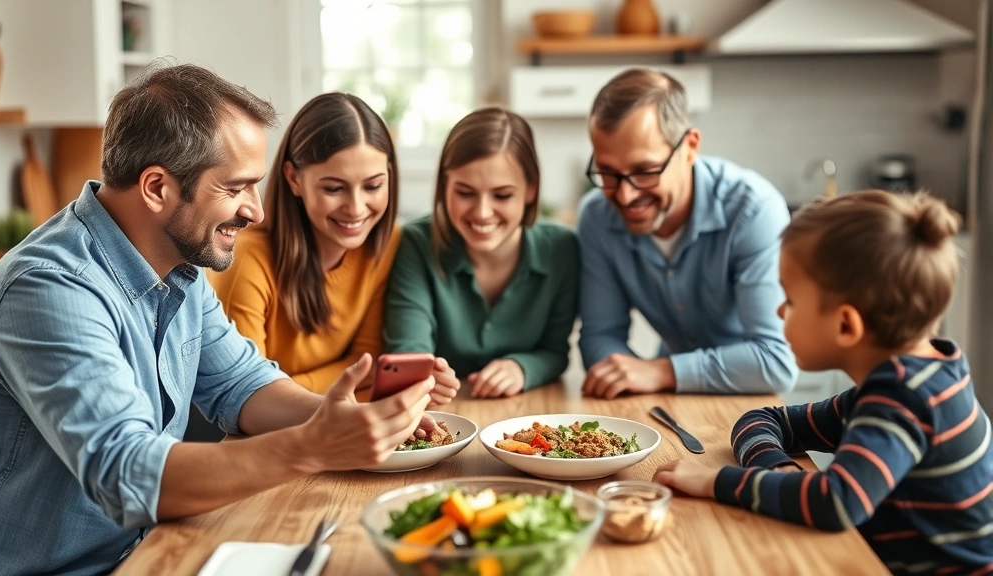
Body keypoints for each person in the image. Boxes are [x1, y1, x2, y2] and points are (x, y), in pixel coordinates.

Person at [0, 64, 435, 574]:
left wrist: (339, 419)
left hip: (151, 549)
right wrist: (312, 445)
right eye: (236, 188)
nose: (256, 211)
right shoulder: (49, 287)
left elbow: (243, 384)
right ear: (156, 187)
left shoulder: (180, 264)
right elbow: (128, 473)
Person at [654, 191, 993, 574]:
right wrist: (776, 470)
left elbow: (836, 501)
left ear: (846, 324)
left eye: (791, 300)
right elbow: (764, 420)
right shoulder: (916, 378)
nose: (780, 310)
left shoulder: (903, 398)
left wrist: (714, 481)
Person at [209, 93, 458, 403]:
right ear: (294, 179)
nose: (356, 208)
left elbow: (366, 360)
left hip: (319, 414)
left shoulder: (387, 243)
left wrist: (409, 387)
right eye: (334, 188)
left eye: (373, 186)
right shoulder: (249, 257)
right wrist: (339, 385)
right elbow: (250, 393)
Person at [577, 67, 797, 397]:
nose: (625, 196)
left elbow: (775, 362)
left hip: (749, 403)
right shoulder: (596, 217)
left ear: (690, 147)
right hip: (670, 397)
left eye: (645, 171)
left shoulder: (753, 210)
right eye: (607, 173)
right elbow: (600, 335)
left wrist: (662, 371)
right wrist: (624, 373)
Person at [385, 107, 579, 397]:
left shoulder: (562, 249)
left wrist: (522, 367)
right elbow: (408, 352)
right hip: (443, 412)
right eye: (465, 193)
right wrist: (425, 378)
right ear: (444, 186)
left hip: (528, 411)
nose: (482, 213)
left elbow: (554, 351)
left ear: (530, 190)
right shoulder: (416, 243)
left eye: (502, 195)